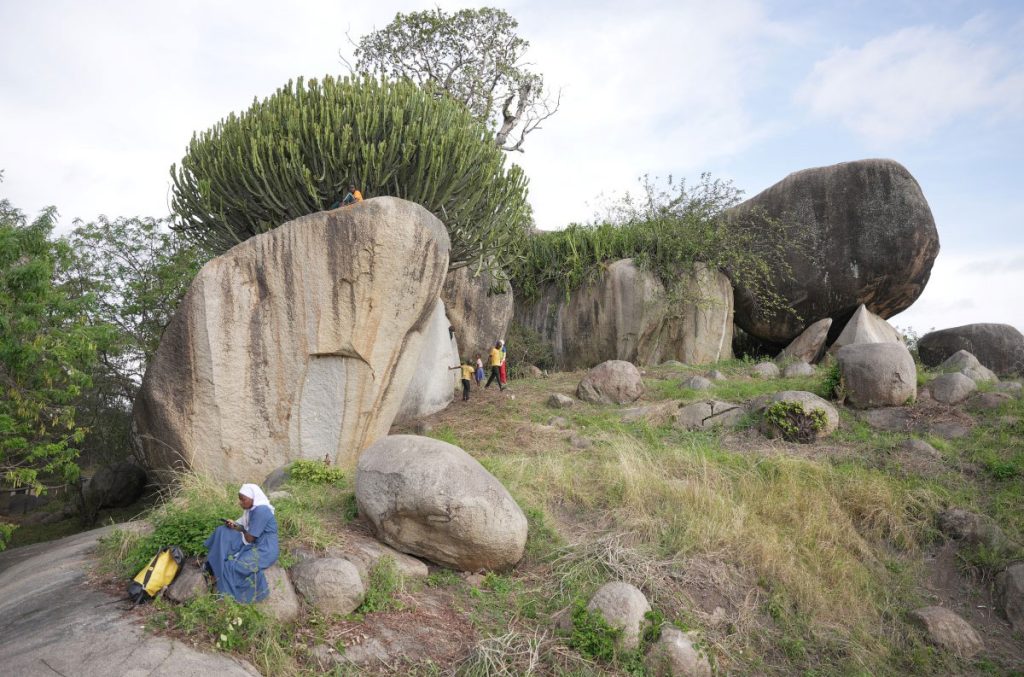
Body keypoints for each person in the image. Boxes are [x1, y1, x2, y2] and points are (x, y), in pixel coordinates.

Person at [203, 484, 279, 603]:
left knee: (232, 567)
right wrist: (235, 526)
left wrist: (240, 529)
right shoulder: (252, 510)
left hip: (265, 550)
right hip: (255, 545)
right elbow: (246, 527)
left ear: (253, 498)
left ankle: (233, 598)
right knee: (222, 530)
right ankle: (215, 561)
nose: (240, 503)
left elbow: (249, 538)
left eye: (243, 499)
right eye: (240, 499)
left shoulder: (261, 511)